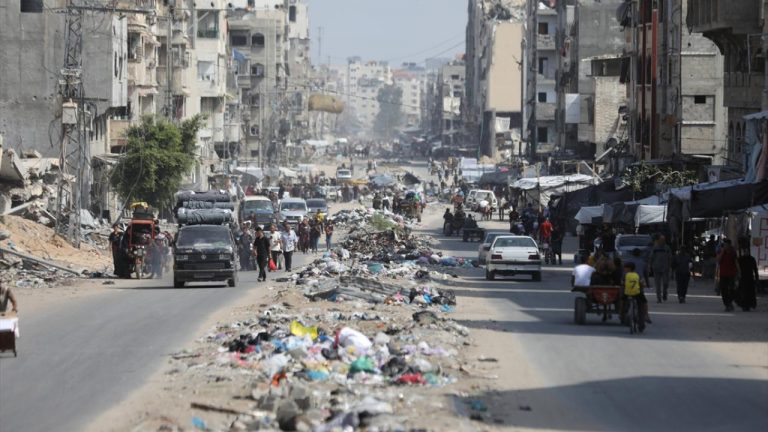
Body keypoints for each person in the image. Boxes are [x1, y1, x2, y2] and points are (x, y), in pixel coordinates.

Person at [623, 262, 648, 330]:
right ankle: (642, 321)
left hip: (627, 293)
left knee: (622, 302)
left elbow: (622, 283)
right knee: (643, 304)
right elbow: (643, 283)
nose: (624, 269)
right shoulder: (638, 275)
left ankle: (623, 316)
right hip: (637, 293)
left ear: (628, 268)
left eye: (625, 268)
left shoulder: (624, 275)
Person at [717, 239, 738, 311]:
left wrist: (738, 272)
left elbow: (736, 263)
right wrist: (722, 252)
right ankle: (727, 304)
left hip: (731, 274)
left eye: (726, 245)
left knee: (732, 290)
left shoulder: (733, 252)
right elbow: (718, 260)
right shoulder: (722, 252)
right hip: (723, 274)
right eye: (724, 245)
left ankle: (729, 303)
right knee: (723, 290)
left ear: (729, 245)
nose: (725, 246)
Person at [649, 235, 672, 303]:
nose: (662, 241)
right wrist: (650, 266)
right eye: (661, 240)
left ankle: (665, 292)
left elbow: (670, 257)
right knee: (658, 284)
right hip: (656, 268)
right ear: (658, 240)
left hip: (665, 268)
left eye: (663, 240)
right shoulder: (655, 248)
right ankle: (659, 298)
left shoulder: (667, 248)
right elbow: (651, 257)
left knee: (665, 283)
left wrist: (669, 266)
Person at [736, 246, 758, 311]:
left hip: (750, 278)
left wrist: (757, 278)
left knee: (750, 292)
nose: (746, 253)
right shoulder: (740, 259)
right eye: (745, 251)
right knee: (743, 292)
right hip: (743, 278)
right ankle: (744, 305)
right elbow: (737, 268)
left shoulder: (752, 259)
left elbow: (755, 269)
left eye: (747, 251)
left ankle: (749, 305)